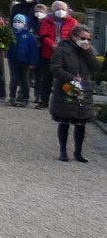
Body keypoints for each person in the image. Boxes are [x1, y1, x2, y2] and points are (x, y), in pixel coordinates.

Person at [49, 25, 99, 163]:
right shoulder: (62, 49)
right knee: (65, 120)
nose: (85, 41)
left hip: (84, 89)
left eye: (88, 39)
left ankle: (78, 152)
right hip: (66, 88)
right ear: (73, 37)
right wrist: (70, 77)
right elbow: (55, 68)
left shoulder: (88, 49)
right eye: (82, 38)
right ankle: (63, 151)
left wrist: (87, 51)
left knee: (81, 122)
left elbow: (96, 67)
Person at [37, 1, 77, 110]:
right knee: (47, 79)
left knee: (65, 79)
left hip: (65, 55)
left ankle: (64, 103)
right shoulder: (47, 21)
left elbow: (74, 37)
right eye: (58, 9)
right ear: (53, 10)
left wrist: (64, 47)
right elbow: (43, 35)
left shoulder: (72, 22)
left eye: (63, 9)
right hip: (48, 54)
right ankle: (44, 101)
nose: (61, 11)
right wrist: (52, 45)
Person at [8, 14, 39, 107]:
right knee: (13, 79)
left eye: (19, 22)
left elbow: (34, 50)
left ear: (24, 24)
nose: (17, 24)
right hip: (13, 60)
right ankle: (12, 97)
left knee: (24, 80)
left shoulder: (29, 35)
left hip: (24, 61)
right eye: (15, 22)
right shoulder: (10, 34)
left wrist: (33, 62)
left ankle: (25, 98)